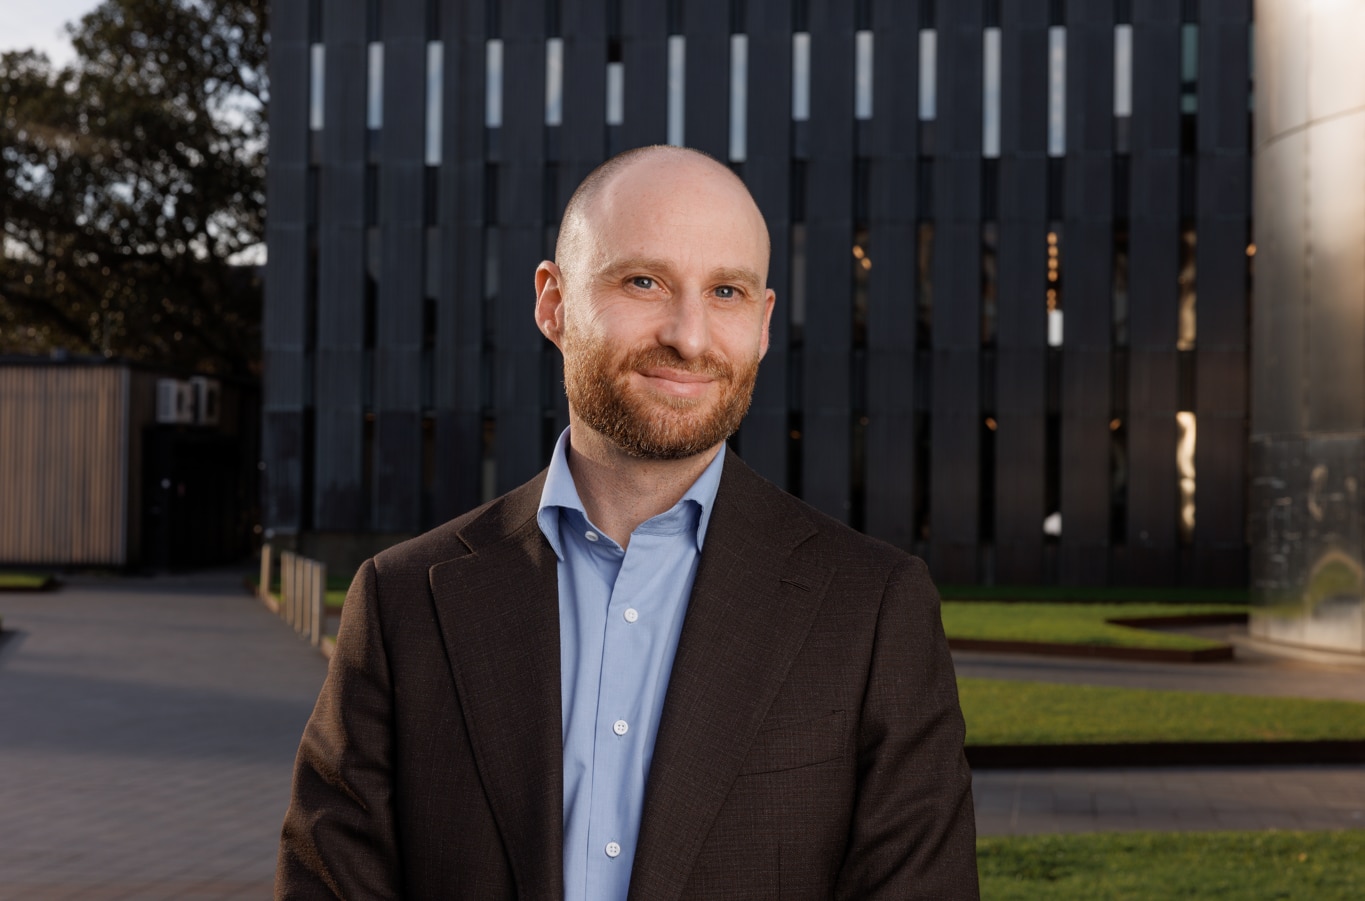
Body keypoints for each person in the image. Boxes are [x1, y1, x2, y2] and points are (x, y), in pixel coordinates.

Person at [276, 145, 978, 899]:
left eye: (726, 291)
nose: (690, 334)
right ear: (553, 302)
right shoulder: (404, 600)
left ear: (764, 321)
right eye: (643, 281)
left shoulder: (872, 608)